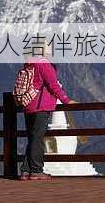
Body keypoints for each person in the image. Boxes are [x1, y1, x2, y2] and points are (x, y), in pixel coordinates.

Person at [19, 51, 77, 181]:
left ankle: (25, 170)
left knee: (33, 138)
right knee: (37, 139)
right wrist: (66, 100)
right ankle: (36, 171)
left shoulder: (30, 64)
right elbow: (53, 85)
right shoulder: (43, 64)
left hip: (28, 104)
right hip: (41, 106)